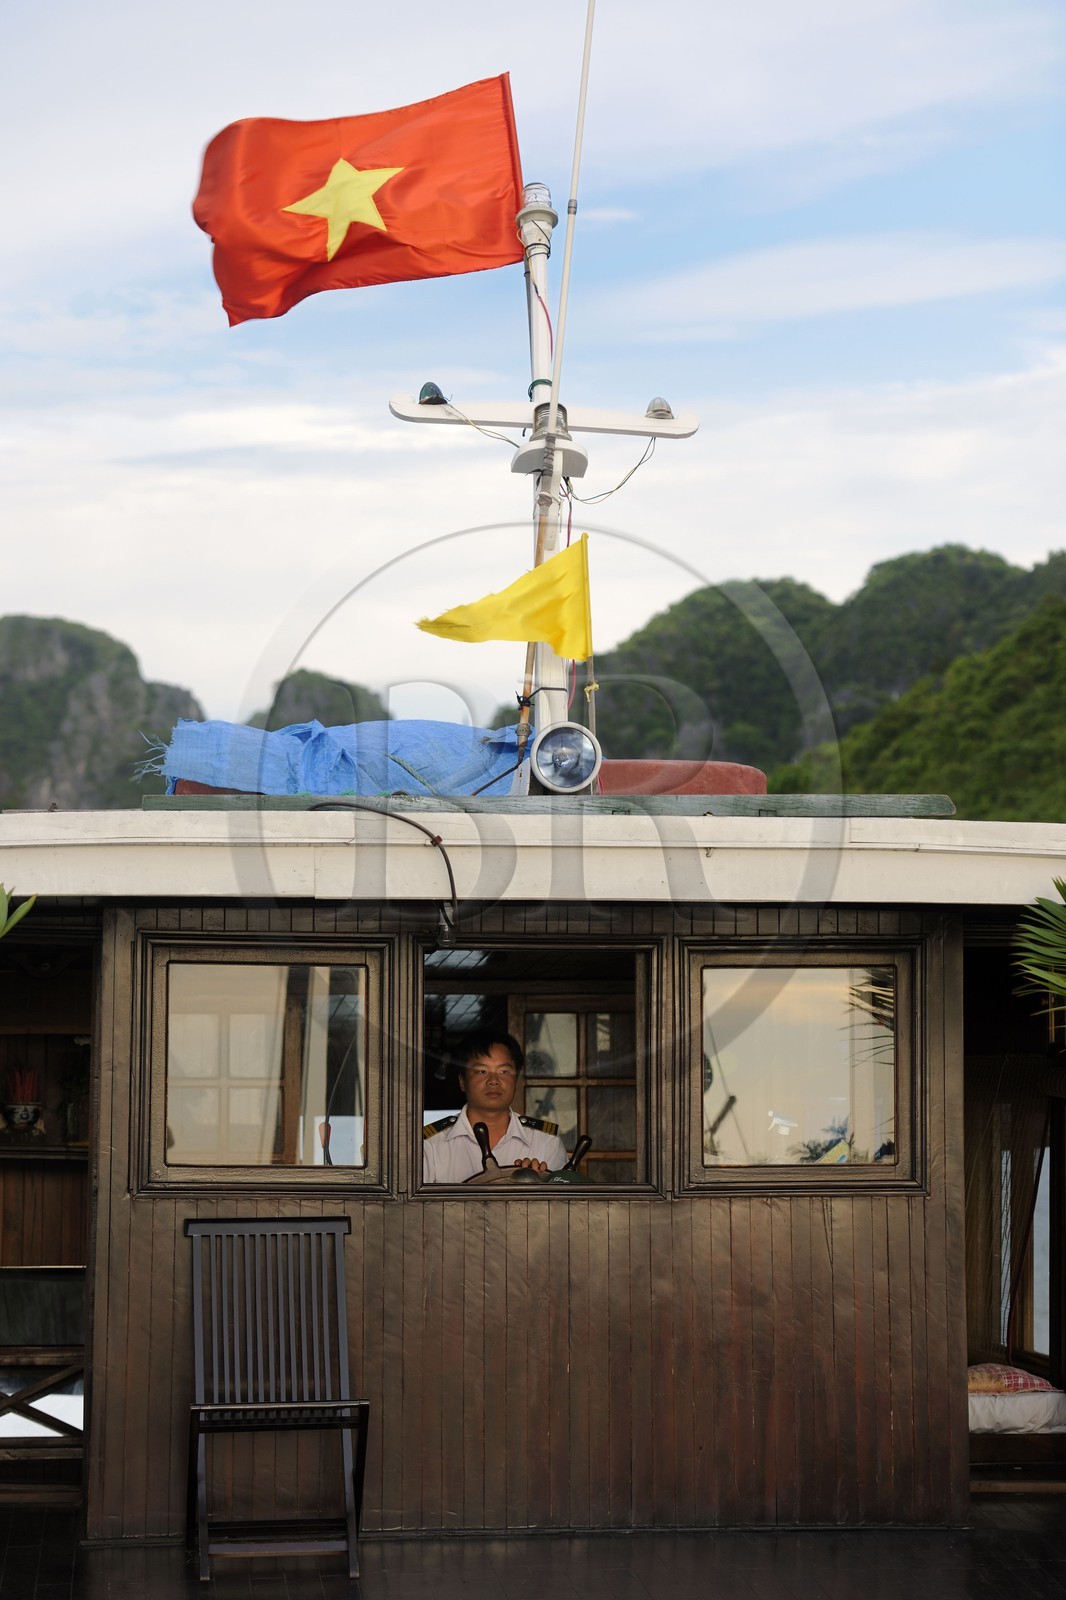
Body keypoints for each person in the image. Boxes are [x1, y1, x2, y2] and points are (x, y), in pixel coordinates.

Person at [423, 1030, 568, 1183]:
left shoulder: (546, 1141)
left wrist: (540, 1184)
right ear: (462, 1081)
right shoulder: (431, 1145)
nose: (494, 1080)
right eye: (482, 1071)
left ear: (516, 1080)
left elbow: (567, 1204)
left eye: (504, 1071)